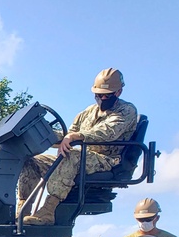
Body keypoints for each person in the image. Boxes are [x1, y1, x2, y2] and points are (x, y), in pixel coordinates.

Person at [18, 68, 138, 226]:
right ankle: (22, 211)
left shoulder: (127, 111)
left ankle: (48, 211)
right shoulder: (88, 112)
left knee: (72, 156)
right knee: (31, 161)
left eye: (106, 95)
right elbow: (70, 133)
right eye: (98, 94)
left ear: (118, 92)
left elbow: (107, 133)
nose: (101, 98)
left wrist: (76, 137)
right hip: (83, 157)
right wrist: (43, 135)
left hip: (107, 161)